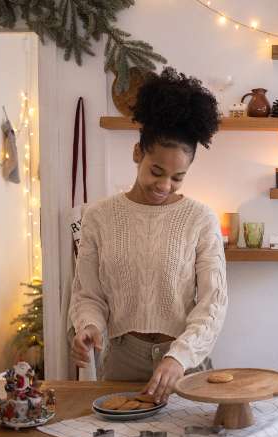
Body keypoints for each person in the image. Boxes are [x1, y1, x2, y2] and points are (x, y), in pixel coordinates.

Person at [69, 67, 227, 404]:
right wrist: (89, 328)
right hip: (122, 362)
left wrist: (178, 356)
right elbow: (88, 294)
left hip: (184, 363)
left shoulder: (200, 218)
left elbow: (212, 303)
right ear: (138, 152)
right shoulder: (98, 217)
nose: (165, 186)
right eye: (157, 171)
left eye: (177, 177)